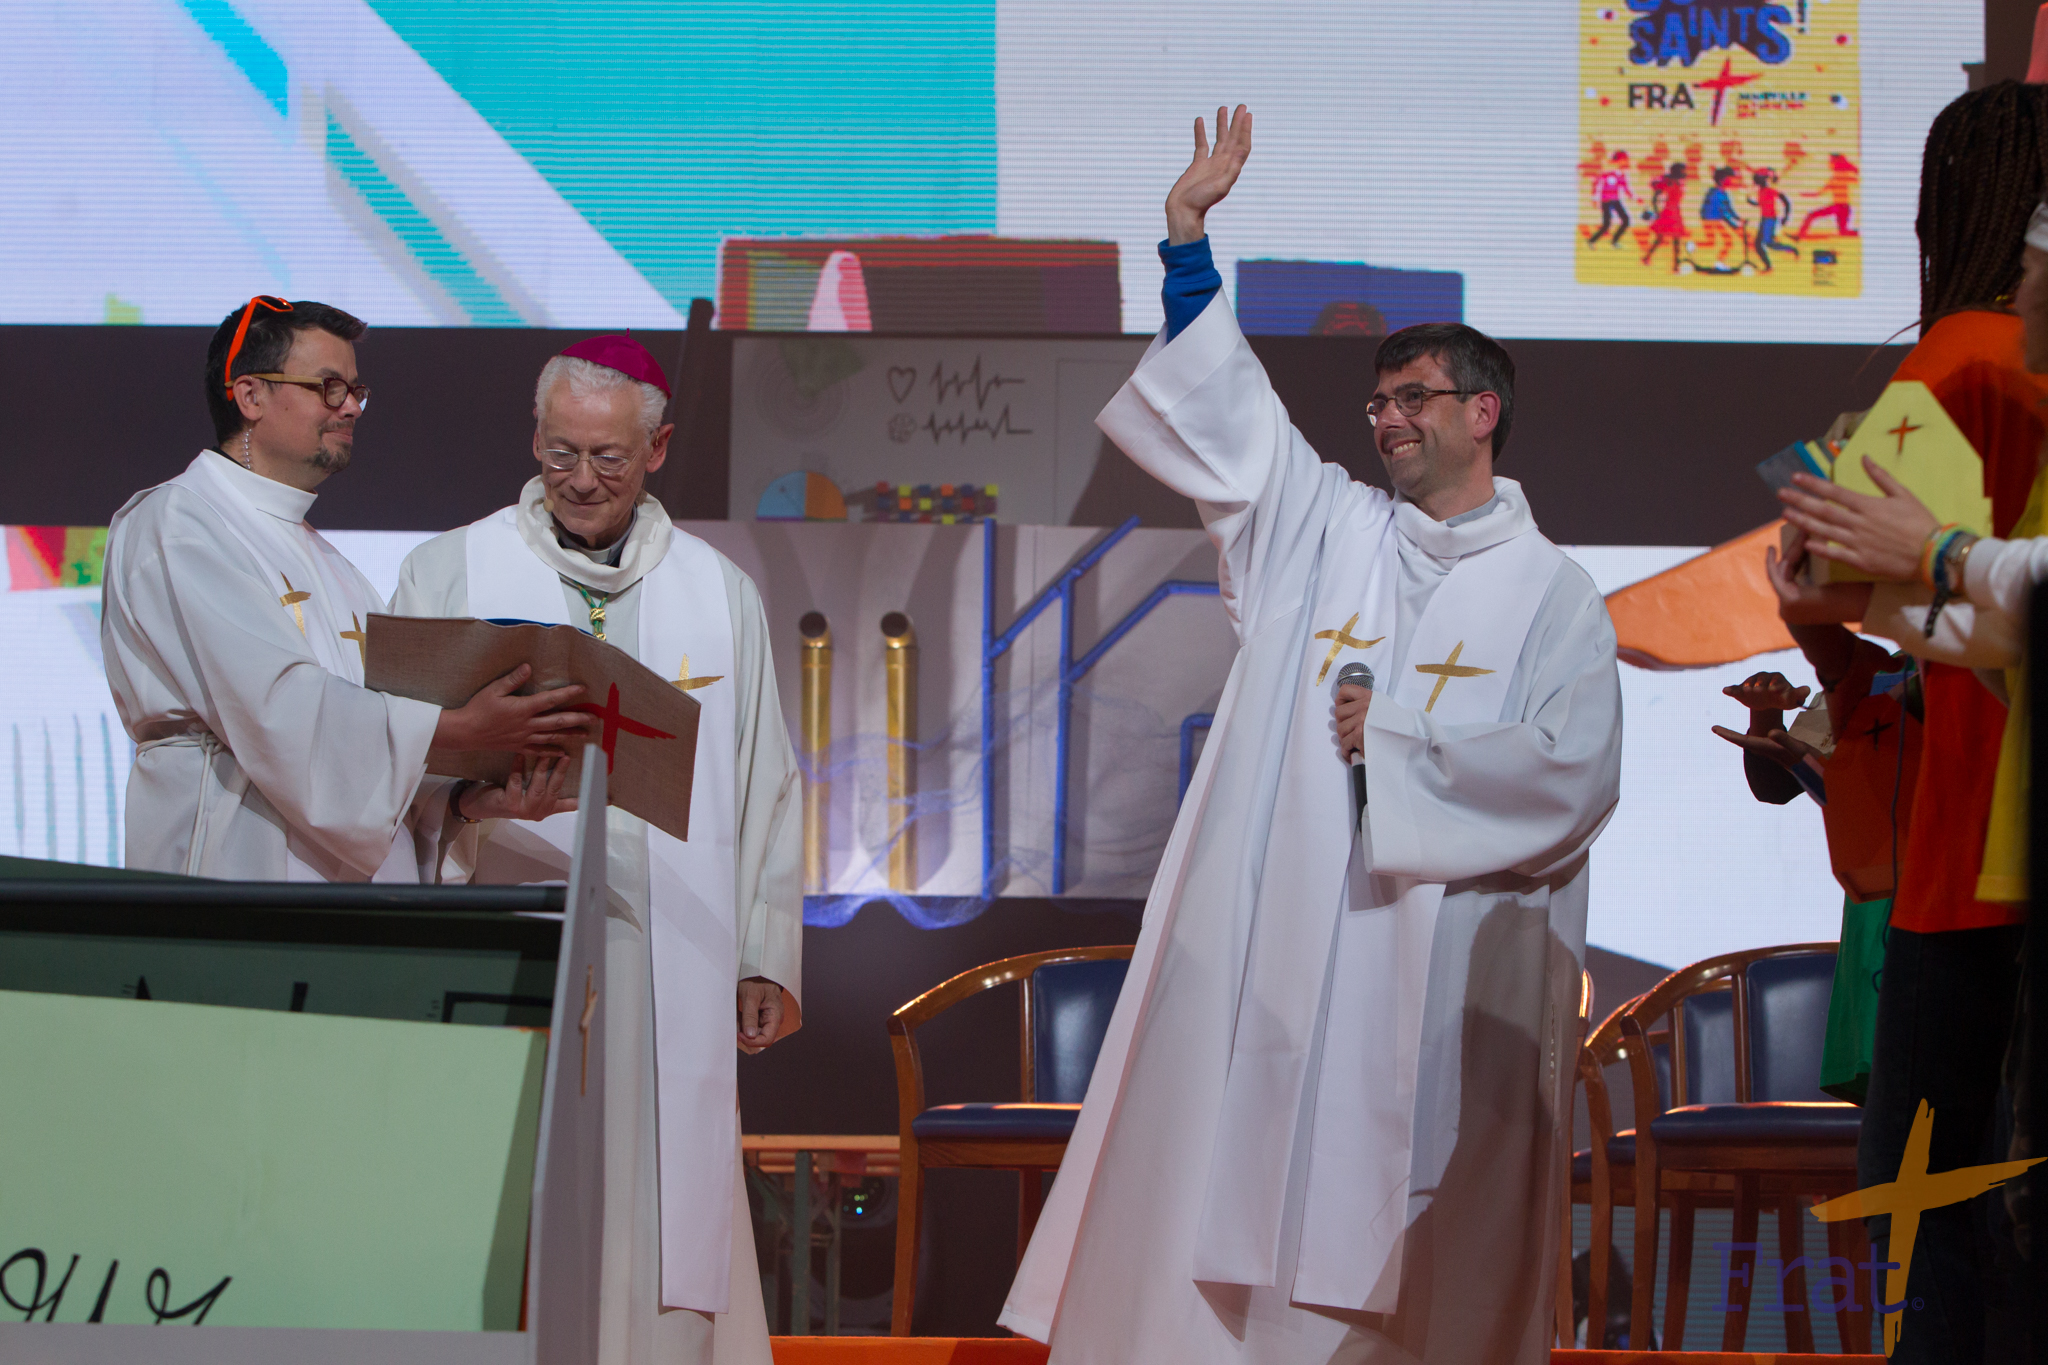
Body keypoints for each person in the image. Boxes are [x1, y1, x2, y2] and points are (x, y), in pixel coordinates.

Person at [1001, 106, 1624, 1365]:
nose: (1384, 419)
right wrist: (1184, 245)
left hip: (1443, 977)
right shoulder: (1327, 531)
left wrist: (1393, 749)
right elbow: (1227, 419)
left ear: (1482, 411)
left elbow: (1571, 780)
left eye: (1412, 398)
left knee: (1416, 1255)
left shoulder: (1553, 595)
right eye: (1376, 402)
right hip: (1287, 944)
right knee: (1248, 1201)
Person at [390, 333, 801, 1365]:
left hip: (670, 948)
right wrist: (472, 796)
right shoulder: (449, 569)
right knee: (506, 1194)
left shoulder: (719, 591)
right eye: (560, 451)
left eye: (608, 457)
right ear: (534, 437)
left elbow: (764, 777)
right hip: (510, 930)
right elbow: (390, 754)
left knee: (660, 1204)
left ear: (656, 449)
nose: (579, 478)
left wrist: (764, 953)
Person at [1766, 80, 2048, 1362]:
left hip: (1971, 856)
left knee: (1938, 1238)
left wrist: (1817, 590)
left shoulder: (1960, 359)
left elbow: (1830, 570)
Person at [102, 296, 587, 881]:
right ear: (250, 396)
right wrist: (454, 729)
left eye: (356, 391)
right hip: (232, 855)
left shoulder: (332, 565)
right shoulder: (179, 521)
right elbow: (276, 707)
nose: (351, 407)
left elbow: (365, 754)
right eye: (329, 387)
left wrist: (465, 800)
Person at [1588, 150, 1635, 248]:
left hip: (1616, 200)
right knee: (1607, 224)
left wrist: (1634, 198)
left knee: (1626, 220)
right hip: (1606, 201)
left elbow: (1625, 187)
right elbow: (1596, 183)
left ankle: (1614, 241)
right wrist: (1594, 198)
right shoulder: (1607, 171)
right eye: (1624, 160)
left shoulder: (1621, 173)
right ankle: (1592, 241)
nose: (1626, 162)